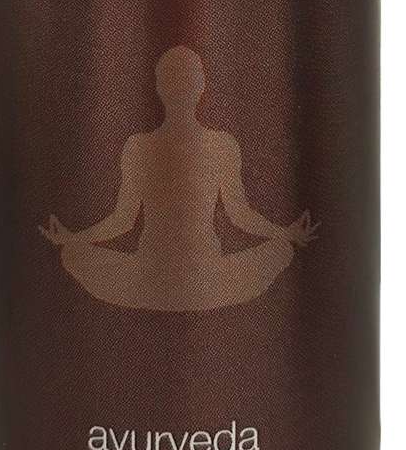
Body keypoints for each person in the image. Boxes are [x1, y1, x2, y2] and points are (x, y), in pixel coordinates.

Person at [40, 46, 316, 312]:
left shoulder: (142, 146)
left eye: (185, 81)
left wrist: (75, 239)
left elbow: (122, 221)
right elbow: (239, 215)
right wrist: (284, 234)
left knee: (72, 254)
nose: (182, 89)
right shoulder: (219, 145)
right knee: (281, 250)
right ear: (201, 87)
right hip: (197, 276)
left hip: (163, 276)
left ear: (160, 88)